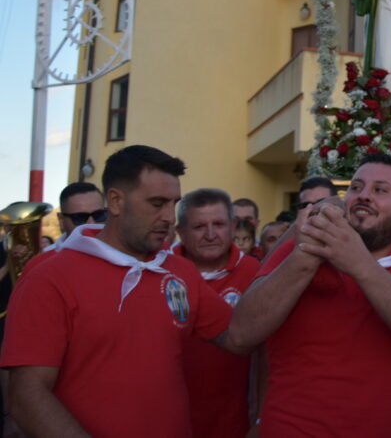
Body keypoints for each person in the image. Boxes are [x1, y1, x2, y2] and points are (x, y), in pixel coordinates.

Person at [0, 145, 249, 437]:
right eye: (158, 204)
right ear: (116, 201)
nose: (170, 217)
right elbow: (26, 396)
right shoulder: (48, 276)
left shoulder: (178, 270)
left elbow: (239, 334)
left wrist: (298, 254)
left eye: (173, 203)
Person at [231, 153, 391, 436]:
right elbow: (241, 333)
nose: (364, 196)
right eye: (356, 188)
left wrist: (359, 263)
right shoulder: (298, 247)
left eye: (380, 190)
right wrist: (307, 255)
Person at [174, 188, 261, 438]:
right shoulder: (160, 272)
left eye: (219, 224)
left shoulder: (256, 273)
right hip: (167, 419)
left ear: (233, 226)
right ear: (181, 232)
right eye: (199, 226)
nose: (211, 234)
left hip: (233, 422)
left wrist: (261, 416)